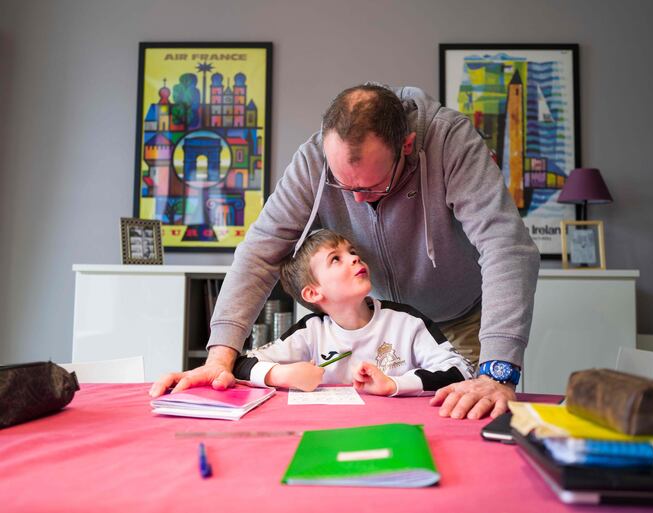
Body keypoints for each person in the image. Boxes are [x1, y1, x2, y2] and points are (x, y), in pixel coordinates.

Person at [150, 83, 540, 420]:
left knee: (464, 428)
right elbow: (259, 253)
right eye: (343, 186)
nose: (356, 198)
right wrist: (220, 357)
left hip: (461, 319)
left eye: (370, 187)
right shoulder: (313, 160)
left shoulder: (449, 142)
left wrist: (498, 373)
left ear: (406, 146)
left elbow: (506, 246)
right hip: (381, 323)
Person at [230, 229, 473, 396]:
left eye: (352, 251)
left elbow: (460, 372)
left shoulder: (406, 321)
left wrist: (393, 384)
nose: (355, 258)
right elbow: (239, 364)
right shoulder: (310, 332)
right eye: (336, 259)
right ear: (313, 293)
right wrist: (283, 374)